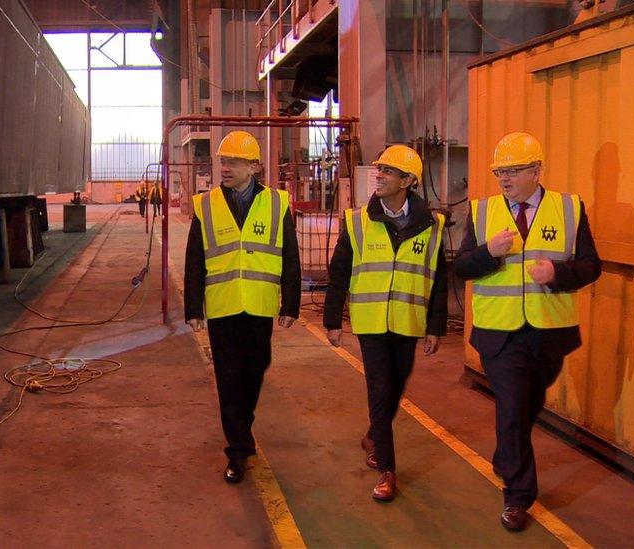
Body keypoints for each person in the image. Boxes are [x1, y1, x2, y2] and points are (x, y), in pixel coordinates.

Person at [453, 132, 600, 531]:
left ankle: (507, 456)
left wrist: (559, 273)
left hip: (548, 330)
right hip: (499, 332)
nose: (504, 179)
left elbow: (591, 266)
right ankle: (518, 496)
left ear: (537, 170)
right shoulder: (482, 212)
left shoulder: (569, 209)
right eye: (500, 171)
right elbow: (461, 267)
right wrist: (488, 254)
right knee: (513, 406)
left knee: (526, 404)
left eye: (514, 171)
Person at [323, 145, 448, 502]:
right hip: (371, 321)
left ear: (408, 181)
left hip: (408, 321)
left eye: (388, 172)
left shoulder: (432, 226)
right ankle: (387, 469)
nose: (378, 176)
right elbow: (339, 272)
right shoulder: (358, 221)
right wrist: (333, 319)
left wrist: (435, 327)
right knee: (380, 388)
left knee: (396, 386)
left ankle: (374, 435)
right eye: (379, 170)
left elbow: (437, 280)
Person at [184, 130, 301, 484]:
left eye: (233, 162)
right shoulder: (205, 205)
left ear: (254, 166)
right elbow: (194, 262)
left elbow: (290, 258)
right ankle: (237, 449)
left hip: (260, 305)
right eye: (222, 162)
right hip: (222, 308)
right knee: (229, 378)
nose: (225, 168)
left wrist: (291, 303)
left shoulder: (278, 203)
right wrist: (193, 308)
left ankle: (242, 426)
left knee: (254, 371)